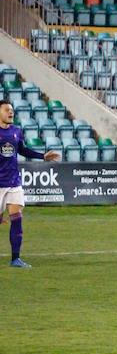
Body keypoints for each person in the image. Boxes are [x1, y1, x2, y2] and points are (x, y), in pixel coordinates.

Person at [0, 99, 61, 268]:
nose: (10, 112)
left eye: (11, 110)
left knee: (17, 218)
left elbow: (22, 150)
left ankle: (15, 258)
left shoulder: (16, 131)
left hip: (13, 182)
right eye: (6, 110)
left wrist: (42, 156)